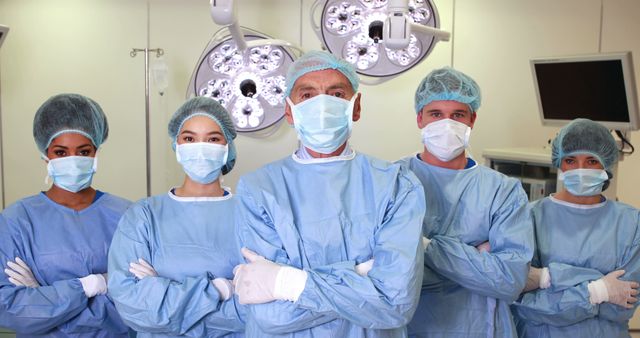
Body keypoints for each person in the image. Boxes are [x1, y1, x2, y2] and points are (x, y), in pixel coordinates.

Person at [231, 50, 426, 337]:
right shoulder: (259, 189)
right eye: (307, 95)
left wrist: (287, 283)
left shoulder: (397, 185)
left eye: (336, 94)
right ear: (289, 110)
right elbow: (270, 315)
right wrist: (360, 277)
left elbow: (396, 302)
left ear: (356, 106)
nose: (322, 106)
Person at [397, 67, 534, 338]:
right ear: (419, 119)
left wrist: (424, 246)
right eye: (436, 114)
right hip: (410, 327)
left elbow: (509, 280)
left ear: (472, 119)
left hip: (481, 327)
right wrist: (476, 257)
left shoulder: (502, 191)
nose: (446, 124)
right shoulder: (393, 180)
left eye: (457, 115)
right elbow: (387, 274)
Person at [107, 97, 245, 337]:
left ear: (228, 147)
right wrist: (220, 290)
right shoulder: (143, 216)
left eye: (213, 139)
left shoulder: (249, 215)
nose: (200, 147)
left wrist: (163, 293)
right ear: (177, 145)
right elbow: (133, 306)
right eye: (189, 139)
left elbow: (256, 309)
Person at [0, 93, 132, 337]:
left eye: (83, 152)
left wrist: (45, 302)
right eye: (61, 152)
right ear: (45, 155)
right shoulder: (16, 221)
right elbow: (9, 308)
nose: (72, 160)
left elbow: (137, 303)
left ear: (96, 153)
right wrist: (92, 285)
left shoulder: (128, 215)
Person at [511, 118, 640, 337]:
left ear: (606, 164)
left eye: (591, 161)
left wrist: (544, 277)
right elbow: (524, 305)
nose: (580, 169)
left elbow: (621, 306)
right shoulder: (529, 217)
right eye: (570, 160)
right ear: (559, 163)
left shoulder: (631, 222)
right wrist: (598, 290)